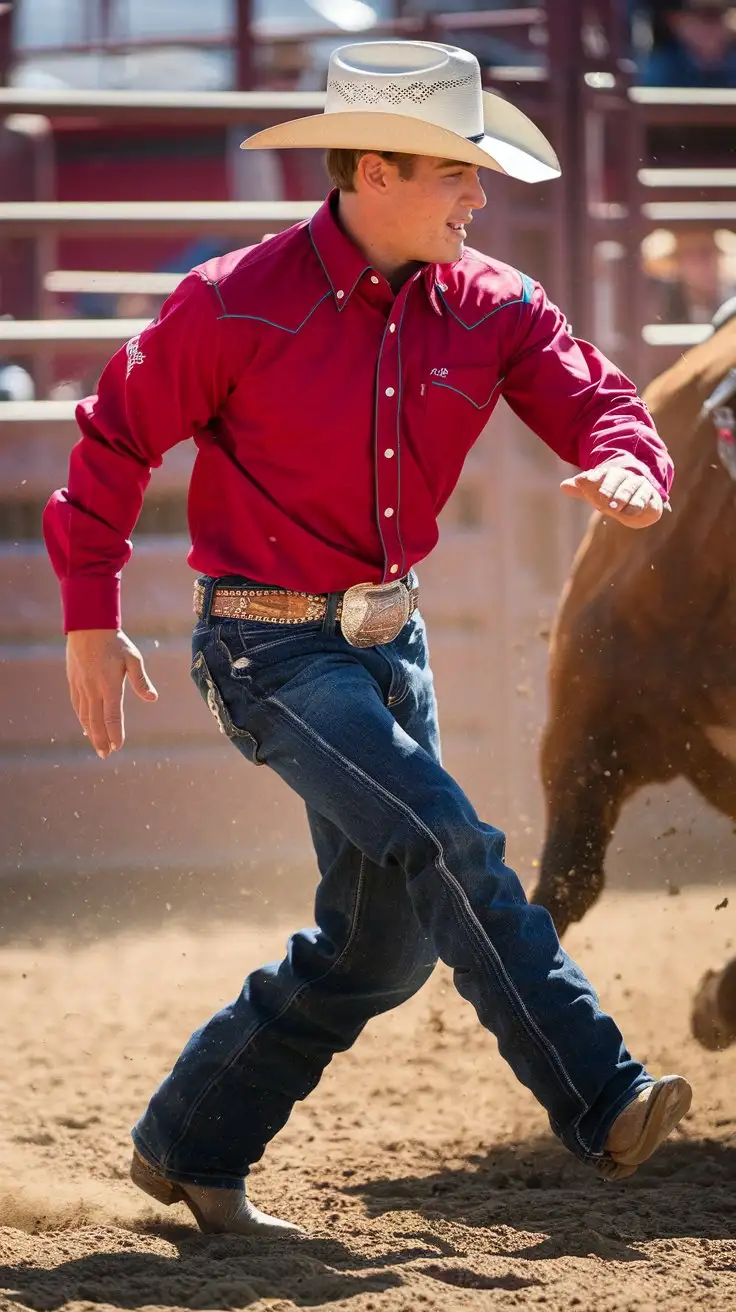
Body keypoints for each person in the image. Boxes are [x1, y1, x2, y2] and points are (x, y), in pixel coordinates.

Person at [44, 40, 692, 1236]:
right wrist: (92, 620)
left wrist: (629, 461)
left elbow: (600, 400)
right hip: (267, 648)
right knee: (447, 837)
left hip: (388, 643)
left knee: (376, 951)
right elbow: (112, 442)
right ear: (378, 168)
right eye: (458, 173)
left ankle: (188, 1144)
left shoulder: (492, 304)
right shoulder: (234, 298)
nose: (479, 198)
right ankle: (601, 1095)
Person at [640, 0, 736, 87]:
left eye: (718, 15)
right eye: (702, 15)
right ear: (676, 20)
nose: (710, 27)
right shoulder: (661, 69)